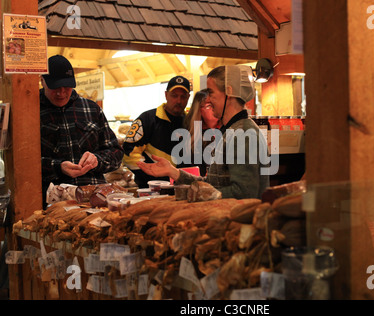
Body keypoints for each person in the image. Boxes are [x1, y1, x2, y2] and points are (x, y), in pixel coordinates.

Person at [136, 65, 271, 199]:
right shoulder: (233, 130)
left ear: (229, 92)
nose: (208, 100)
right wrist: (174, 172)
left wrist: (200, 195)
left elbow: (245, 193)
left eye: (211, 93)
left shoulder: (243, 134)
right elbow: (213, 185)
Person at [40, 55, 124, 206]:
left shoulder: (91, 109)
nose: (61, 93)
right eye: (55, 88)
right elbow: (23, 163)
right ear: (42, 81)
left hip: (95, 197)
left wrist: (97, 160)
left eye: (66, 87)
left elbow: (116, 153)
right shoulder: (30, 112)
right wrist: (58, 167)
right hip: (52, 200)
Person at [122, 75, 191, 188]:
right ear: (166, 95)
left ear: (188, 97)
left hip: (183, 188)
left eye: (183, 97)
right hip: (150, 189)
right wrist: (152, 176)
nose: (179, 101)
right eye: (174, 96)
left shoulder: (191, 123)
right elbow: (129, 153)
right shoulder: (147, 119)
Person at [184, 89, 221, 176]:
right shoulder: (193, 139)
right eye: (209, 105)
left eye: (214, 104)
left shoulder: (227, 131)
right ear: (199, 110)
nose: (214, 108)